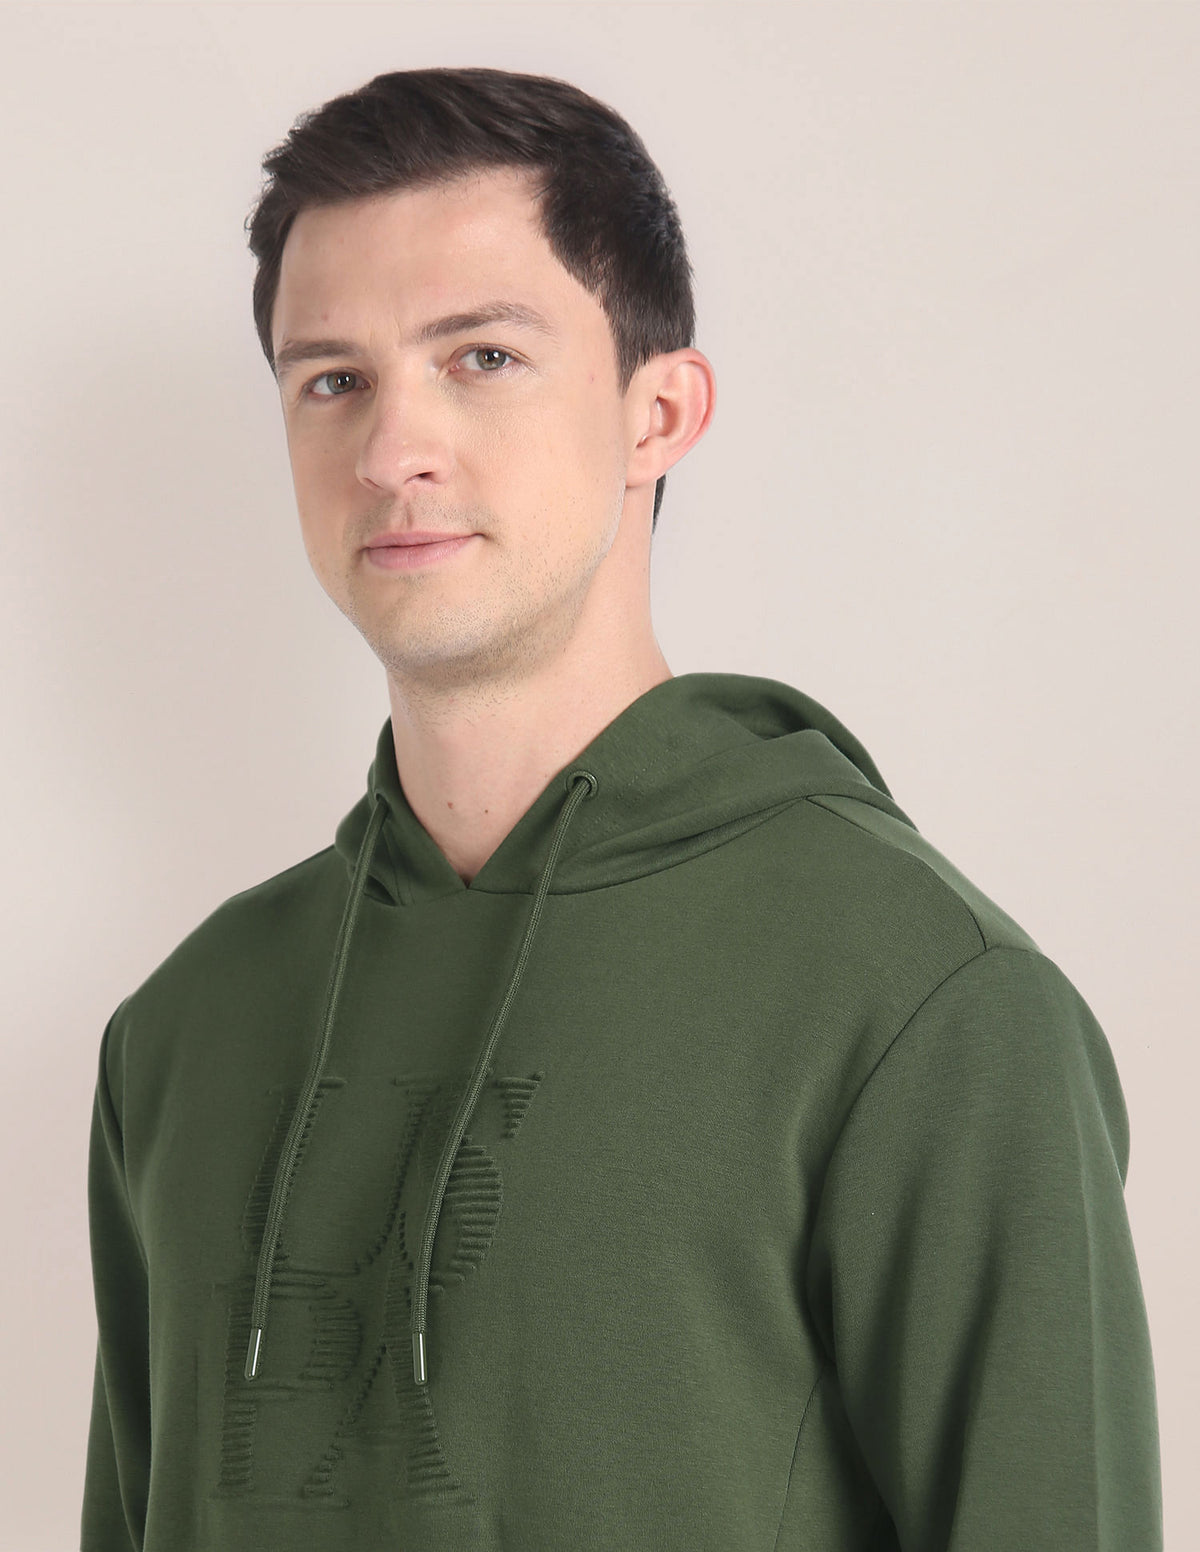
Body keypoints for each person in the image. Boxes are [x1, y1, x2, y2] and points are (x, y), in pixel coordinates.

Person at [81, 65, 1162, 1552]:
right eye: (332, 380)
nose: (393, 451)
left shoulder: (923, 1001)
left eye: (482, 358)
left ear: (659, 412)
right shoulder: (183, 1032)